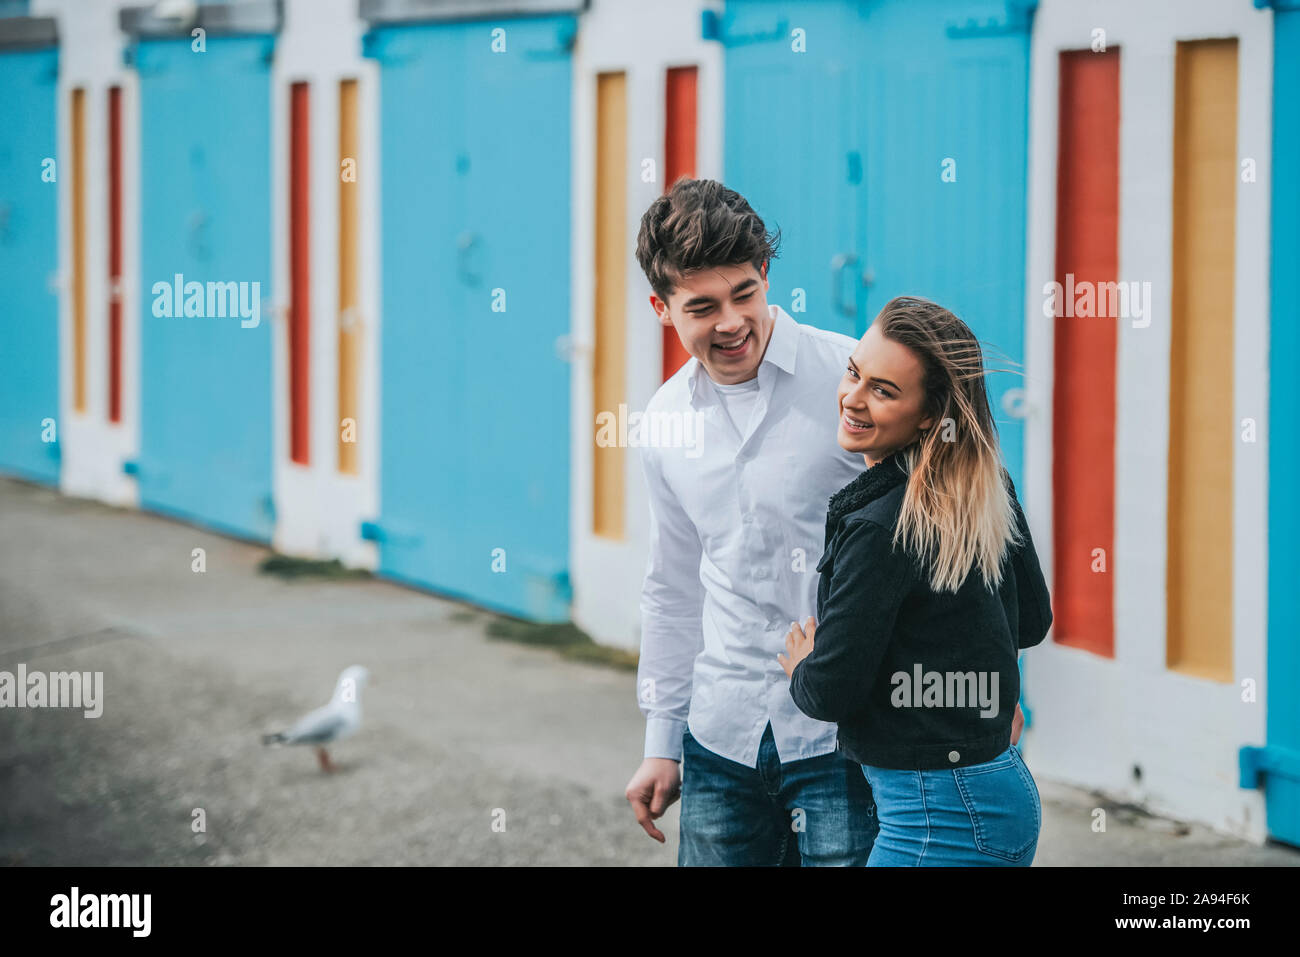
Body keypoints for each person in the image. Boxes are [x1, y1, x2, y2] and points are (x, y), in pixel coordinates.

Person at [622, 177, 880, 865]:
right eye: (702, 307)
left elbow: (939, 540)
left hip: (843, 738)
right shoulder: (664, 422)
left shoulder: (852, 382)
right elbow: (674, 588)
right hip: (720, 739)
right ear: (662, 307)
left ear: (766, 273)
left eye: (744, 293)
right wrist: (661, 742)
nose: (731, 322)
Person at [778, 295, 1052, 866]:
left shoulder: (881, 528)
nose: (852, 399)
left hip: (939, 816)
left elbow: (831, 692)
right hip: (994, 791)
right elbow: (1032, 619)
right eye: (854, 373)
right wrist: (987, 696)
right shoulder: (984, 486)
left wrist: (804, 665)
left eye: (883, 390)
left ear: (930, 414)